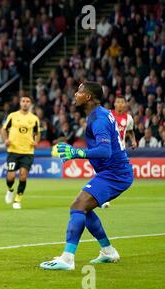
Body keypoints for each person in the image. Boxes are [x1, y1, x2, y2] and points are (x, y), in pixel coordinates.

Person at [40, 82, 134, 270]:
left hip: (114, 174)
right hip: (114, 172)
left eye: (80, 92)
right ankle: (108, 251)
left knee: (78, 205)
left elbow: (105, 151)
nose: (76, 94)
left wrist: (77, 153)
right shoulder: (101, 114)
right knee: (85, 209)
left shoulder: (98, 119)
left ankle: (67, 258)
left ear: (89, 97)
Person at [0, 96, 40, 209]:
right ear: (20, 103)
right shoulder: (12, 116)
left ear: (30, 104)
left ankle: (18, 199)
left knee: (23, 175)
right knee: (11, 176)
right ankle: (10, 190)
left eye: (28, 101)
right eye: (23, 101)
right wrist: (5, 140)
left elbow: (37, 132)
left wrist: (36, 141)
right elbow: (3, 129)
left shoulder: (34, 118)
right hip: (13, 151)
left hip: (28, 152)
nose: (25, 103)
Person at [102, 95, 137, 208]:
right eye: (118, 102)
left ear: (125, 104)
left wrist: (133, 140)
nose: (120, 104)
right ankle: (103, 198)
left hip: (119, 151)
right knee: (105, 173)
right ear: (114, 103)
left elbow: (130, 131)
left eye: (122, 102)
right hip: (107, 148)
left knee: (117, 176)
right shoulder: (108, 115)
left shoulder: (129, 118)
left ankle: (104, 197)